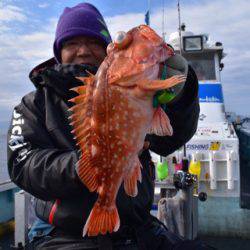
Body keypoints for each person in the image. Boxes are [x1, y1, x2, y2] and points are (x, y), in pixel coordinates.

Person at [7, 2, 213, 250]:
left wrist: (182, 93)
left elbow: (171, 140)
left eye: (93, 42)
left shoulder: (137, 87)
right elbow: (22, 165)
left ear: (107, 50)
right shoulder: (33, 104)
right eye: (72, 43)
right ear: (58, 51)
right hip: (62, 235)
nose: (83, 50)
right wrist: (91, 165)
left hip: (140, 228)